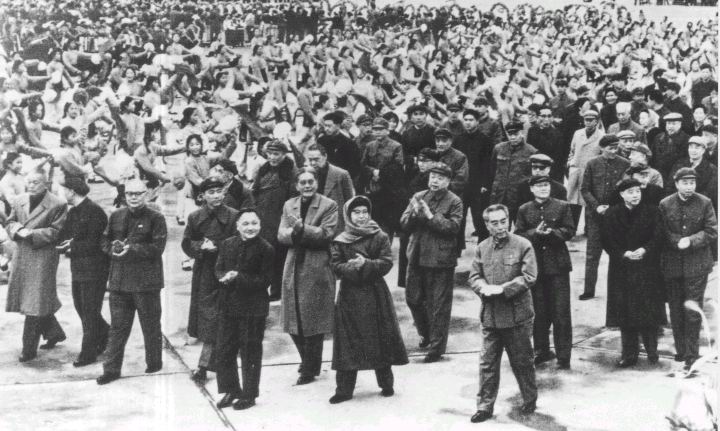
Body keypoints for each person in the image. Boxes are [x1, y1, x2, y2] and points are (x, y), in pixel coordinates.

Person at [328, 196, 408, 404]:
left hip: (375, 294)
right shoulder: (340, 240)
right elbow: (335, 265)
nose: (361, 216)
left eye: (365, 212)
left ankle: (386, 384)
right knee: (347, 342)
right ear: (348, 215)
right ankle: (344, 390)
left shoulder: (380, 236)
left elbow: (386, 262)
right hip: (350, 296)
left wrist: (366, 264)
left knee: (380, 338)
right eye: (356, 212)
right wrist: (352, 268)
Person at [469, 204, 538, 423]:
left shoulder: (523, 245)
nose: (500, 227)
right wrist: (482, 287)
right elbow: (474, 276)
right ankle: (484, 406)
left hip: (517, 317)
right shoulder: (482, 247)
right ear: (486, 225)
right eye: (494, 223)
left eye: (503, 221)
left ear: (509, 220)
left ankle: (529, 398)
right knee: (487, 363)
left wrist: (503, 289)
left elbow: (529, 276)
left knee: (522, 361)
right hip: (491, 316)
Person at [96, 179, 168, 385]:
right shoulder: (116, 216)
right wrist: (113, 250)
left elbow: (158, 247)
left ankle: (154, 362)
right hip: (120, 282)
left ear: (146, 194)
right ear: (124, 195)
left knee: (150, 325)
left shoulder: (156, 218)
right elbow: (104, 240)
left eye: (138, 193)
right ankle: (111, 370)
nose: (134, 197)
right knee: (117, 328)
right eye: (130, 194)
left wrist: (132, 249)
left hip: (146, 283)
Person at [278, 167, 338, 385]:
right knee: (291, 317)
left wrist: (301, 229)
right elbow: (281, 234)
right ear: (296, 185)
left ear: (317, 183)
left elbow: (326, 234)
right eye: (302, 182)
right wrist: (294, 232)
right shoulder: (289, 205)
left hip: (317, 265)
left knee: (313, 319)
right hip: (293, 264)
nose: (307, 186)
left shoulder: (329, 205)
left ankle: (310, 368)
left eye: (310, 181)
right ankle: (308, 361)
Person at [400, 163, 463, 363]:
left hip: (440, 260)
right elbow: (403, 224)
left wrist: (429, 216)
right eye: (432, 177)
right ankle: (426, 333)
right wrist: (413, 213)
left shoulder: (454, 201)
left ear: (448, 181)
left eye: (440, 178)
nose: (435, 181)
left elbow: (453, 228)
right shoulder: (419, 196)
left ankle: (436, 348)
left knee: (439, 306)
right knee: (413, 298)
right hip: (416, 256)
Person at [601, 178, 666, 368]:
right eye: (630, 192)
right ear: (622, 194)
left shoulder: (653, 211)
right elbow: (606, 240)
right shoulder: (612, 214)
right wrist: (623, 254)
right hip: (622, 268)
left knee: (649, 310)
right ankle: (629, 354)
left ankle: (652, 351)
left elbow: (659, 236)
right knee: (625, 312)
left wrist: (645, 250)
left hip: (647, 267)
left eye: (638, 191)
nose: (635, 195)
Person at [214, 208, 274, 410]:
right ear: (237, 226)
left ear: (260, 225)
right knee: (224, 350)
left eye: (254, 223)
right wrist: (222, 276)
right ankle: (231, 390)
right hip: (228, 305)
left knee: (250, 352)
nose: (250, 228)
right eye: (245, 223)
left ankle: (249, 394)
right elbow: (219, 267)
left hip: (253, 308)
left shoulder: (266, 249)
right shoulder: (227, 244)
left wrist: (238, 277)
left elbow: (265, 279)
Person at [182, 178, 241, 384]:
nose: (216, 196)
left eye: (219, 191)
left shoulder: (234, 216)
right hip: (205, 273)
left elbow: (241, 241)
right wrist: (200, 247)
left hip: (227, 270)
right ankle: (207, 363)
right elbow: (187, 242)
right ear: (202, 196)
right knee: (210, 318)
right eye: (211, 192)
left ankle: (207, 363)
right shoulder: (195, 217)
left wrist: (218, 247)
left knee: (225, 316)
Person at [6, 169, 68, 362]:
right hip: (22, 254)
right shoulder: (19, 200)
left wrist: (32, 234)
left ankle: (28, 348)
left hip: (43, 256)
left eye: (36, 182)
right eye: (29, 182)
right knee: (36, 299)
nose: (31, 185)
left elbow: (57, 231)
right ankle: (54, 333)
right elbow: (10, 222)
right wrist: (17, 229)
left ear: (46, 183)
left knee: (34, 302)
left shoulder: (58, 204)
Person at [659, 168, 718, 373]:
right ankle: (681, 350)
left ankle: (692, 355)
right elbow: (662, 231)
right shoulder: (665, 204)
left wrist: (691, 240)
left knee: (692, 310)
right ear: (676, 184)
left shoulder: (705, 202)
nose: (689, 187)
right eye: (685, 183)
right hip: (673, 264)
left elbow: (712, 230)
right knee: (675, 309)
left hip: (697, 264)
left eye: (692, 182)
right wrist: (677, 241)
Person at [515, 176, 575, 370]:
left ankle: (564, 355)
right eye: (539, 186)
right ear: (532, 189)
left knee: (561, 312)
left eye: (546, 185)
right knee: (538, 311)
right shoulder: (524, 209)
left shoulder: (562, 206)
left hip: (558, 266)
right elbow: (518, 234)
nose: (543, 189)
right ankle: (541, 350)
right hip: (536, 267)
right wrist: (535, 233)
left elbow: (569, 230)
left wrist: (552, 233)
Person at [57, 176, 109, 367]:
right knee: (82, 308)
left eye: (64, 190)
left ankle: (88, 353)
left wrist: (72, 246)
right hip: (78, 269)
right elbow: (65, 234)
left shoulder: (95, 211)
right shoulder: (73, 212)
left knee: (89, 312)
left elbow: (96, 243)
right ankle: (106, 334)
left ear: (72, 191)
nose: (63, 193)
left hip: (95, 270)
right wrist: (64, 243)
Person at [579, 135, 630, 300]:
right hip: (595, 217)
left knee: (619, 253)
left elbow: (626, 189)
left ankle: (621, 290)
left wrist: (614, 208)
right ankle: (589, 290)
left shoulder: (625, 164)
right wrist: (596, 206)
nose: (614, 151)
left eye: (616, 148)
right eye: (610, 148)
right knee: (592, 254)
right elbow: (585, 189)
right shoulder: (592, 164)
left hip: (616, 217)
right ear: (602, 148)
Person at [253, 140, 298, 301]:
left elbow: (294, 197)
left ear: (284, 154)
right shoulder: (263, 169)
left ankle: (277, 290)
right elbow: (255, 190)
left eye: (276, 154)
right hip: (263, 216)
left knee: (279, 256)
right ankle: (263, 287)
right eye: (270, 153)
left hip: (280, 217)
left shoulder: (291, 171)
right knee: (264, 254)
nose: (272, 157)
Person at [453, 108, 494, 241]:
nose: (468, 122)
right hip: (462, 185)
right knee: (459, 217)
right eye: (465, 120)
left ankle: (483, 246)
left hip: (478, 186)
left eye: (471, 120)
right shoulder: (458, 140)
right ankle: (457, 248)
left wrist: (485, 184)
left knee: (480, 219)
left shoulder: (485, 140)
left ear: (477, 122)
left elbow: (489, 165)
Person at [489, 121, 538, 225]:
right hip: (500, 196)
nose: (512, 137)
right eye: (510, 134)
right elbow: (492, 171)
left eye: (515, 134)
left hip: (520, 198)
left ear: (522, 133)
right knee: (499, 226)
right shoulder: (498, 149)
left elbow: (533, 176)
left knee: (520, 227)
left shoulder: (531, 151)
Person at [305, 143, 355, 234]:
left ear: (325, 156)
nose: (312, 163)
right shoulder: (306, 175)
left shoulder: (341, 174)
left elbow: (350, 203)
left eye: (316, 159)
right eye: (310, 160)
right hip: (313, 224)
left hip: (335, 225)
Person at [566, 109, 604, 228]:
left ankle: (589, 229)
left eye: (591, 120)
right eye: (586, 120)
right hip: (576, 171)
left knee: (589, 201)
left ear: (596, 121)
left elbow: (602, 155)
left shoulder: (602, 136)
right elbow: (572, 150)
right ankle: (572, 228)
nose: (588, 122)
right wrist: (570, 162)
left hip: (590, 173)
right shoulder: (577, 133)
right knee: (573, 201)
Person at [667, 136, 718, 211]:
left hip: (699, 208)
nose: (693, 150)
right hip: (677, 206)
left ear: (703, 150)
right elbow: (670, 186)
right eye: (691, 147)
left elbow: (710, 193)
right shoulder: (679, 164)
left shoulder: (712, 169)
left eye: (697, 148)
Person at [318, 112, 362, 185]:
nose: (326, 129)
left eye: (329, 126)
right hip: (323, 179)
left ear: (338, 126)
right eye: (325, 126)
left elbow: (354, 167)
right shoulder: (321, 141)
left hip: (342, 181)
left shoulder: (349, 144)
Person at [526, 107, 566, 183]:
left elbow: (559, 158)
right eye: (543, 116)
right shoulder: (532, 131)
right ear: (537, 117)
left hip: (551, 171)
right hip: (535, 169)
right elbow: (529, 150)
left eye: (549, 116)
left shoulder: (558, 134)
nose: (546, 119)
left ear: (552, 118)